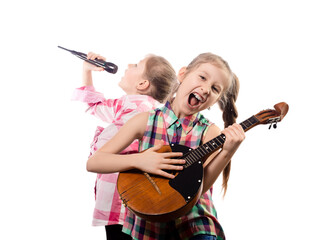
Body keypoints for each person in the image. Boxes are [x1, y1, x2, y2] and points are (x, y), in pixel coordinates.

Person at [86, 53, 246, 240]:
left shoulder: (209, 132)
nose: (206, 89)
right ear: (183, 74)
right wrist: (140, 160)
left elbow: (200, 189)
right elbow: (94, 162)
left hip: (194, 224)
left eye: (215, 89)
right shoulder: (144, 120)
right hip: (149, 222)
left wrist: (228, 152)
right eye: (202, 77)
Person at [72, 51, 177, 240]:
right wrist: (87, 70)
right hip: (120, 202)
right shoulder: (127, 105)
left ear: (142, 84)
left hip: (126, 205)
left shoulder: (144, 111)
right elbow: (95, 106)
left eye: (136, 65)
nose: (129, 65)